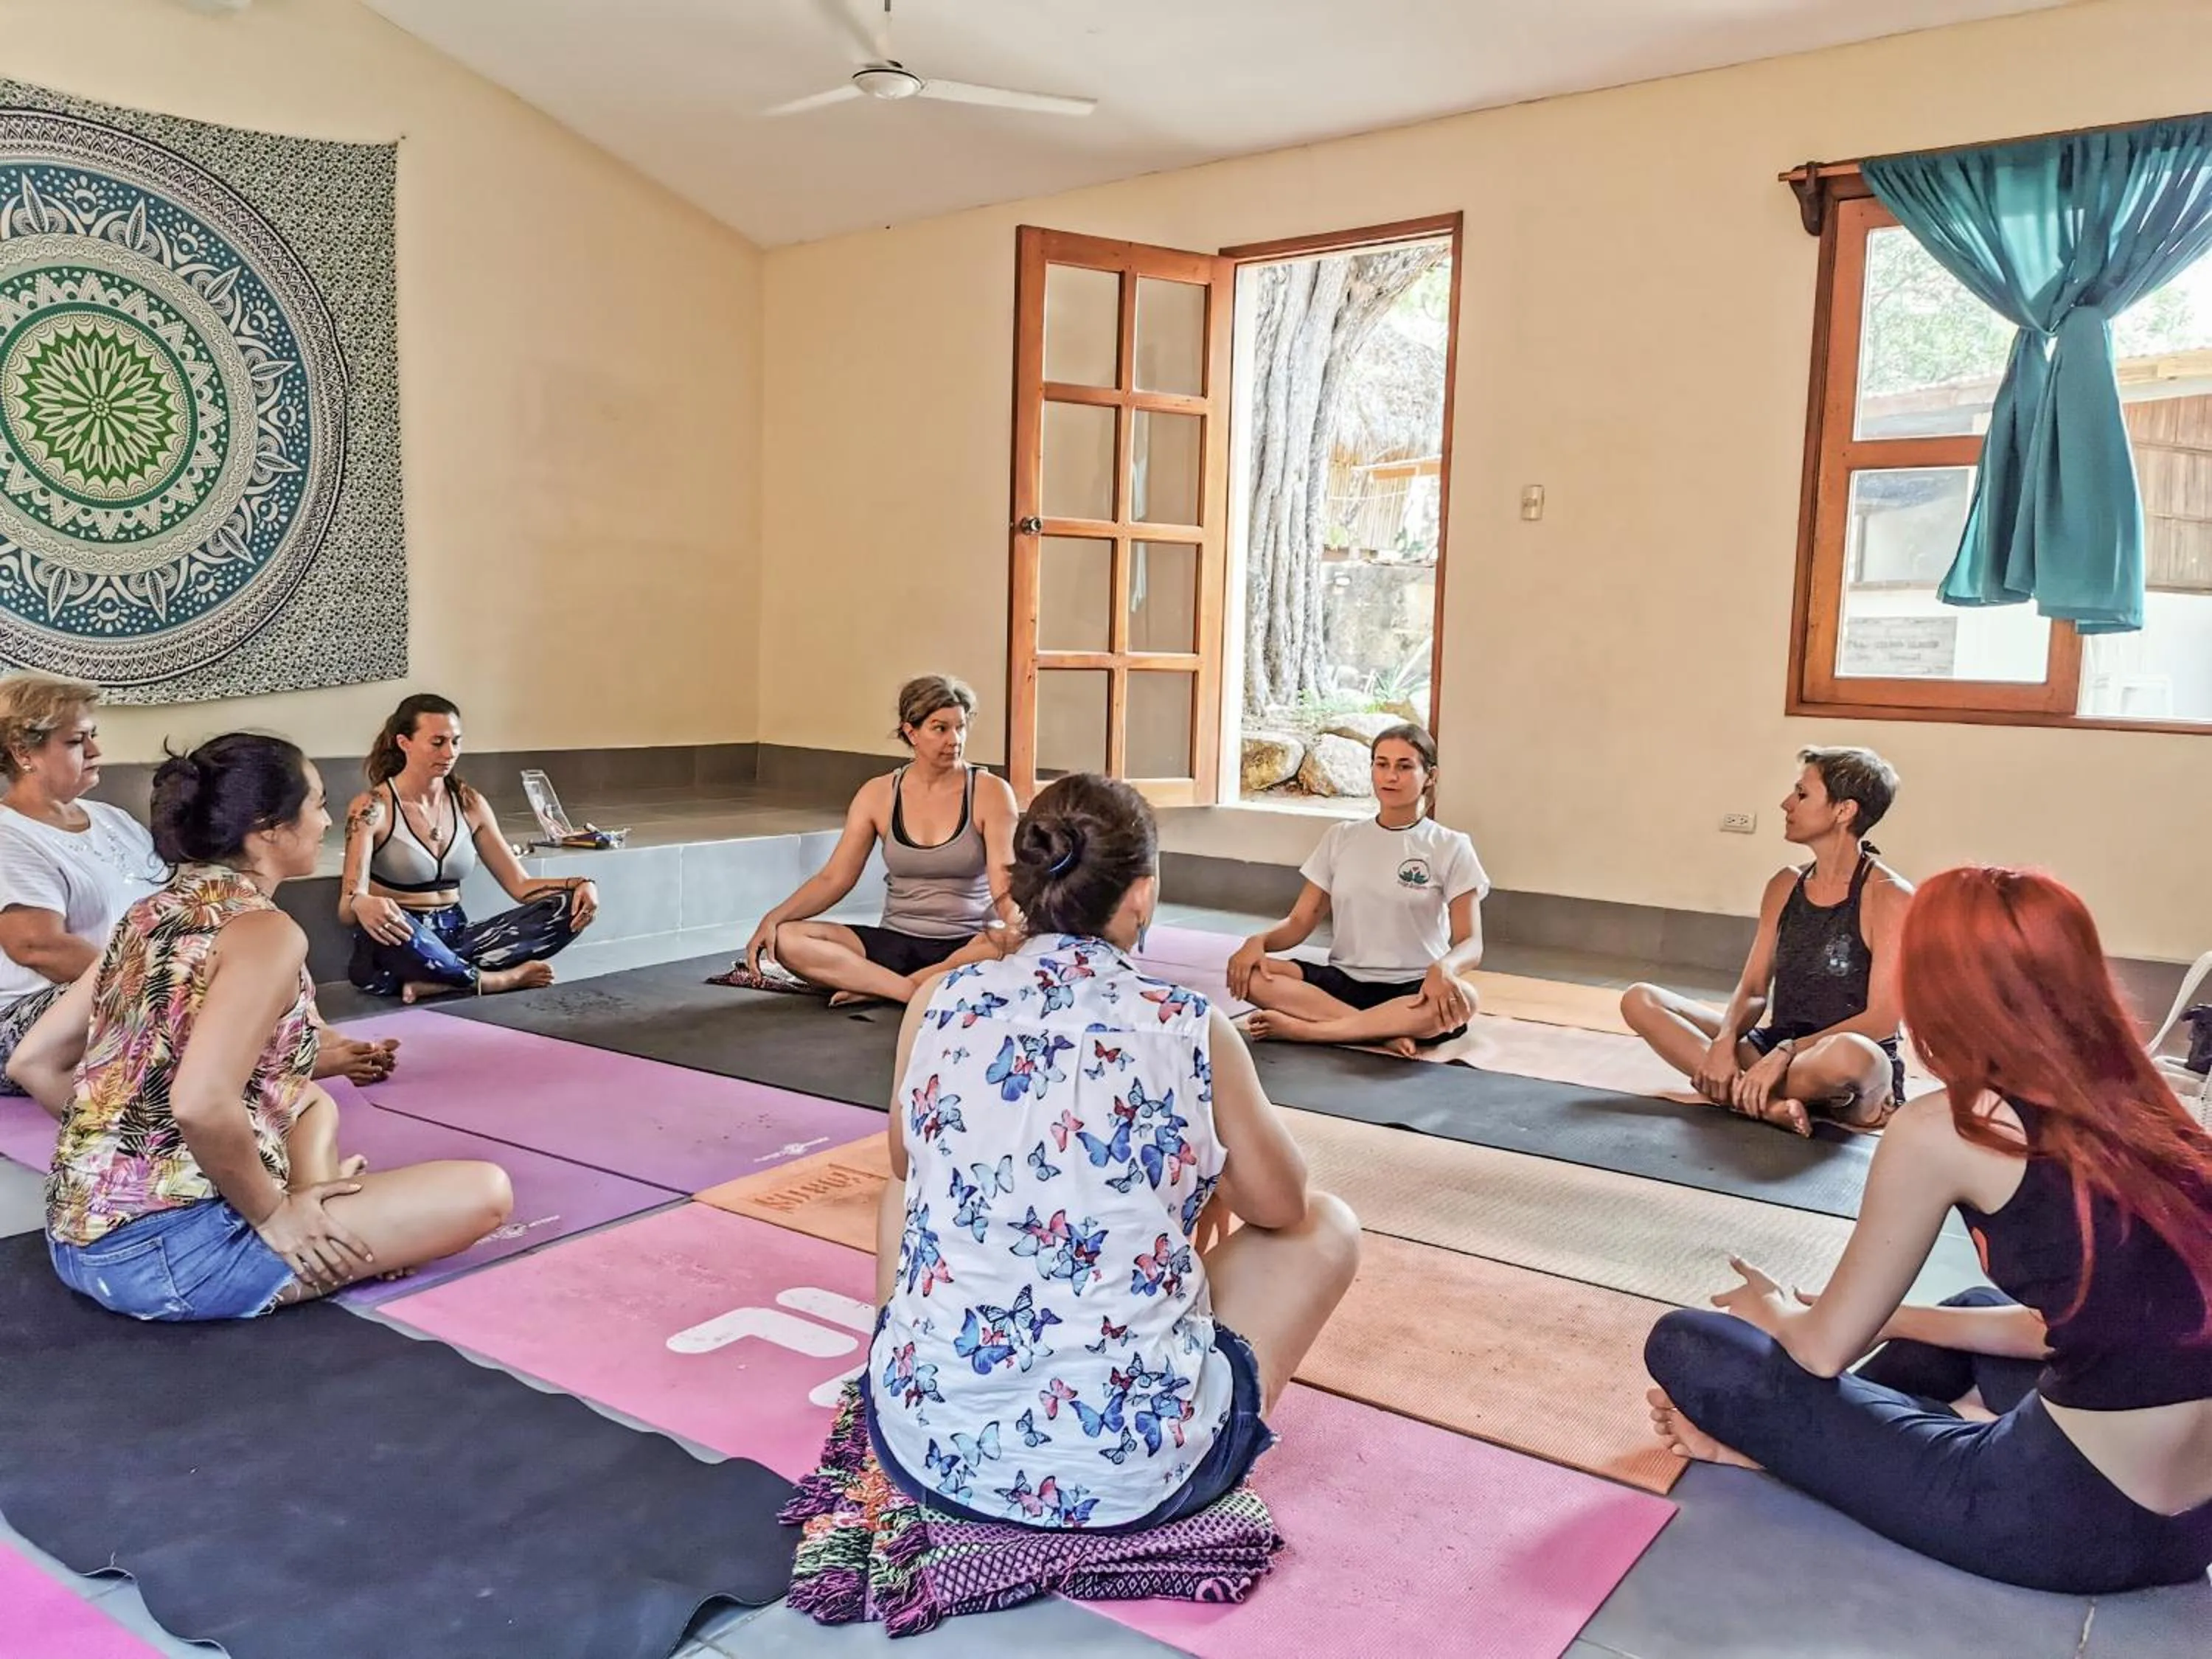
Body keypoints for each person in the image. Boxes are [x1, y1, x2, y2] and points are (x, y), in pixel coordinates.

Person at [1644, 868, 2212, 1595]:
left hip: (2061, 1525)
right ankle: (1839, 1448)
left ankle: (1787, 1452)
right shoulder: (2151, 1112)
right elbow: (2062, 1327)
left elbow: (1819, 1353)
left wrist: (1780, 1311)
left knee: (1695, 1345)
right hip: (2187, 1531)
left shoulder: (1949, 1126)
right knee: (1964, 1314)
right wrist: (1896, 1318)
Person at [863, 772, 1361, 1531]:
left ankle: (940, 1372)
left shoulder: (941, 1000)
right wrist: (1202, 1184)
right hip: (1132, 1477)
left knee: (907, 1181)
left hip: (921, 1447)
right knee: (1327, 1227)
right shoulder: (1187, 1027)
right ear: (1141, 894)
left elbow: (907, 1164)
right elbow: (1282, 1206)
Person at [18, 734, 512, 1321]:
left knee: (309, 1102)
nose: (328, 820)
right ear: (268, 827)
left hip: (76, 1242)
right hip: (171, 1261)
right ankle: (312, 1230)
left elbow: (34, 1061)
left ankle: (318, 1213)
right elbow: (200, 1104)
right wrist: (272, 1215)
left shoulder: (152, 911)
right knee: (485, 1191)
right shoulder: (264, 933)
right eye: (317, 804)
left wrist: (125, 1158)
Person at [0, 673, 395, 1090]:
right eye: (77, 741)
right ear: (25, 752)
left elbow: (174, 905)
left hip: (131, 986)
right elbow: (37, 946)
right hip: (35, 1018)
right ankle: (278, 1061)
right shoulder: (9, 834)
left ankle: (307, 1041)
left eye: (93, 736)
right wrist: (167, 980)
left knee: (242, 949)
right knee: (190, 1000)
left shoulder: (112, 820)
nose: (96, 751)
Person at [1621, 748, 1909, 1136]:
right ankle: (1767, 1104)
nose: (1786, 803)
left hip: (1839, 1060)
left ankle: (1743, 1092)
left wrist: (1786, 1054)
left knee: (1848, 1055)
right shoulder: (1785, 884)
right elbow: (1754, 988)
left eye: (1802, 795)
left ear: (1844, 811)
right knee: (1641, 999)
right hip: (1775, 1047)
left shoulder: (1891, 895)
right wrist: (1724, 1043)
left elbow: (1881, 1019)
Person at [742, 675, 1020, 1006]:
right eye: (940, 728)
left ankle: (878, 986)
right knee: (788, 939)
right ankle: (913, 991)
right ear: (910, 732)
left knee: (1014, 939)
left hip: (967, 945)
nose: (954, 739)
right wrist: (773, 918)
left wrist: (1018, 929)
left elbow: (1004, 884)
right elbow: (835, 878)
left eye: (960, 727)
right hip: (894, 942)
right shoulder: (878, 794)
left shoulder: (991, 792)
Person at [1228, 724, 1487, 1054]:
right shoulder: (1340, 837)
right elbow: (1299, 923)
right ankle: (1381, 1032)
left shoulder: (1451, 846)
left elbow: (1471, 942)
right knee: (1249, 974)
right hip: (1342, 982)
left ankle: (1310, 1031)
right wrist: (1257, 942)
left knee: (1465, 1000)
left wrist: (1446, 968)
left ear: (1430, 776)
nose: (1390, 776)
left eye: (1404, 766)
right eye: (1382, 764)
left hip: (1414, 988)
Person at [343, 694, 598, 1001]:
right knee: (396, 931)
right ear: (404, 742)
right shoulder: (372, 807)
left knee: (566, 906)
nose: (449, 753)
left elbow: (520, 885)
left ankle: (446, 980)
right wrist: (361, 903)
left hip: (455, 936)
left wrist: (579, 885)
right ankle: (500, 980)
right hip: (400, 939)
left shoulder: (470, 803)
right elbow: (347, 908)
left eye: (456, 742)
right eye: (437, 742)